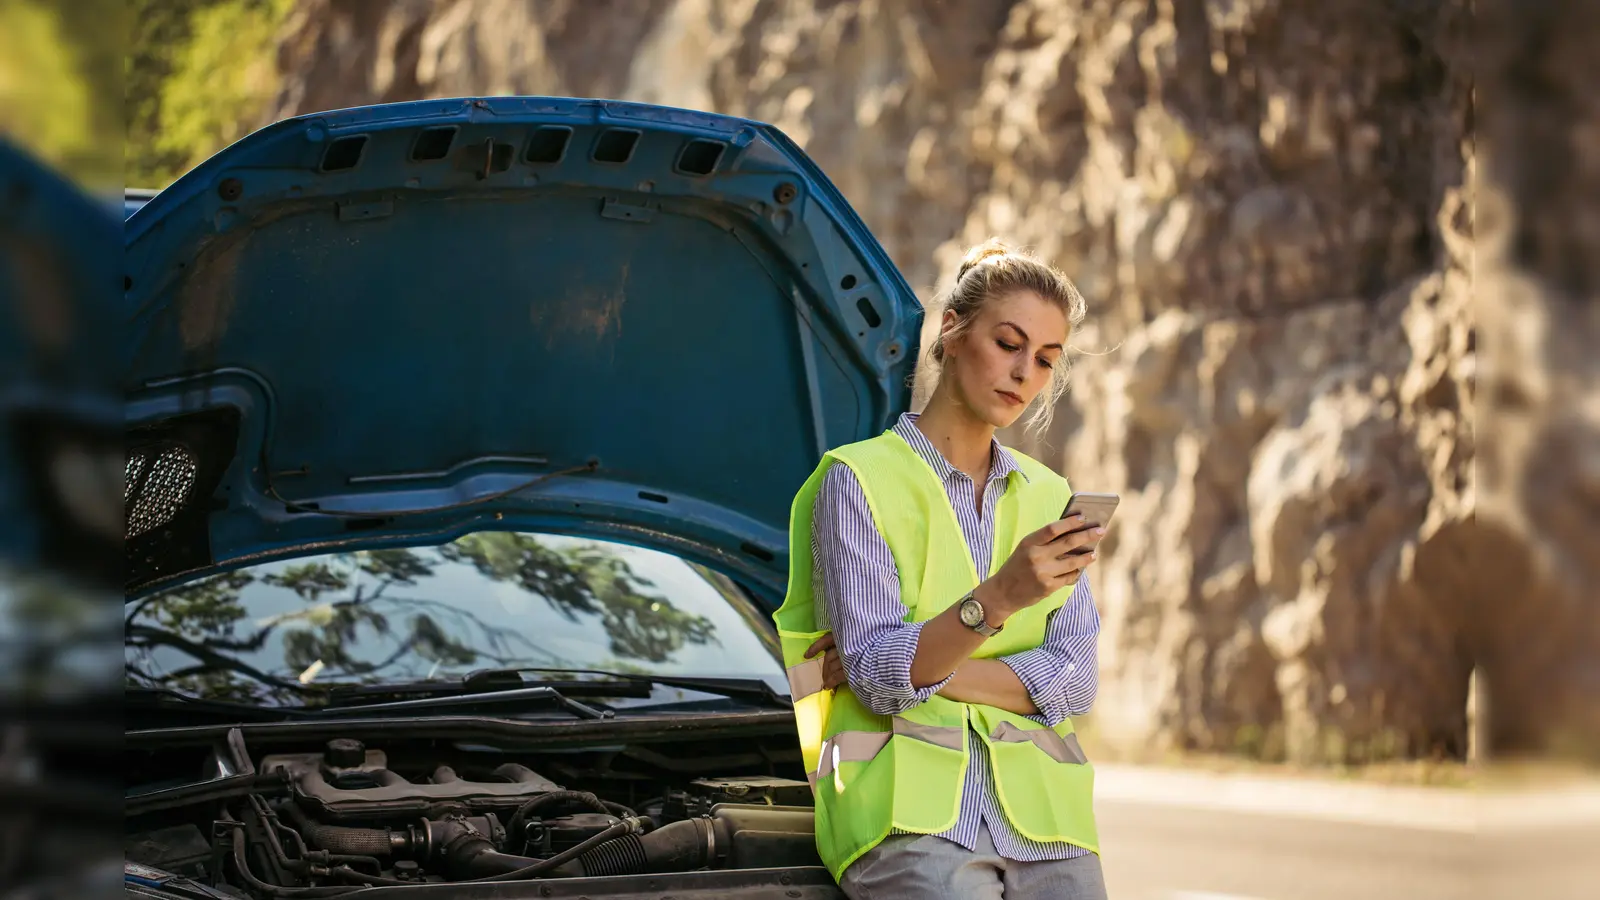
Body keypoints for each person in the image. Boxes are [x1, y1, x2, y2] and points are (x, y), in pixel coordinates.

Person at [772, 239, 1108, 899]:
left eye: (1045, 359)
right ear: (952, 330)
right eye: (1009, 344)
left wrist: (931, 665)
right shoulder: (859, 480)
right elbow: (879, 684)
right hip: (908, 827)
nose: (1024, 373)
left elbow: (1074, 684)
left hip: (1051, 828)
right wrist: (1001, 599)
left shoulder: (1048, 495)